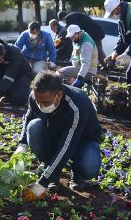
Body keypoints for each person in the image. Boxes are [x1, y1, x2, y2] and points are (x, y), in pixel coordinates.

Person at [17, 71, 103, 201]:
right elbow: (29, 117)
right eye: (38, 101)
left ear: (59, 95)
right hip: (54, 133)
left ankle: (77, 173)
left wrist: (42, 183)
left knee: (89, 167)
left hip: (82, 140)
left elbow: (67, 146)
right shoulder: (35, 96)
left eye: (46, 102)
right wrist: (22, 144)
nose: (41, 106)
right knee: (34, 127)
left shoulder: (76, 106)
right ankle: (52, 173)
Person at [0, 40, 34, 105]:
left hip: (22, 74)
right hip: (5, 71)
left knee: (17, 97)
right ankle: (7, 94)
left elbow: (9, 76)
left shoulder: (14, 53)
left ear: (4, 52)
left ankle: (32, 94)